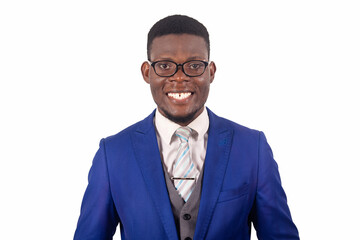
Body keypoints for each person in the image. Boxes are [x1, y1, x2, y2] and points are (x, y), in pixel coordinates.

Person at [74, 15, 299, 240]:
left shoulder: (252, 148)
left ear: (210, 72)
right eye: (164, 66)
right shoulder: (112, 154)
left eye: (194, 65)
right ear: (146, 72)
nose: (180, 77)